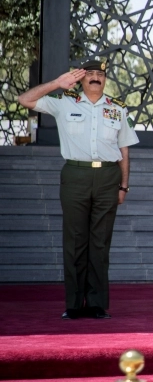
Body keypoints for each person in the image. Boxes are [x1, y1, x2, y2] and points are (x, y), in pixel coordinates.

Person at [17, 59, 139, 319]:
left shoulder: (117, 109)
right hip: (76, 174)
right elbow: (24, 99)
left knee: (100, 242)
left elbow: (124, 150)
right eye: (90, 73)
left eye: (100, 74)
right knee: (74, 240)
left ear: (105, 79)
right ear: (81, 78)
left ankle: (96, 303)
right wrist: (56, 83)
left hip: (108, 176)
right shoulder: (64, 102)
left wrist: (124, 186)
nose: (95, 78)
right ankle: (73, 304)